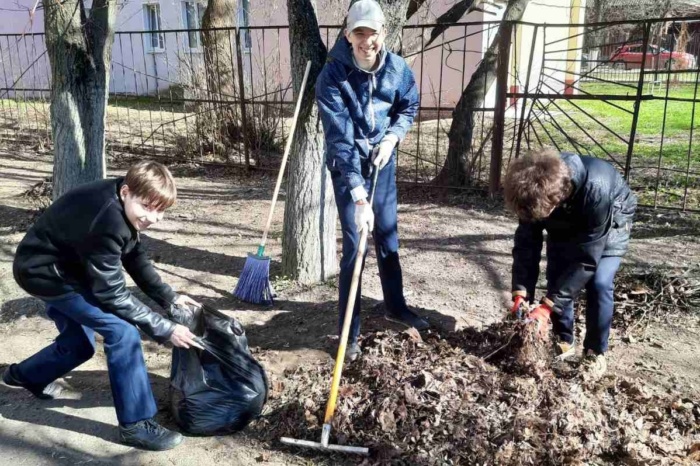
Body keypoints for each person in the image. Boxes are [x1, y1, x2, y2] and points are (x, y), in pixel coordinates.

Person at [3, 161, 203, 451]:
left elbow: (134, 255)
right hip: (46, 274)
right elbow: (111, 293)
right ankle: (136, 424)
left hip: (68, 268)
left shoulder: (124, 204)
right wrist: (164, 327)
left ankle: (24, 375)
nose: (154, 218)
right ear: (125, 191)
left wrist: (168, 297)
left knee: (80, 344)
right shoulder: (107, 219)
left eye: (161, 210)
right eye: (148, 207)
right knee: (122, 332)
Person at [316, 0, 428, 362]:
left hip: (383, 159)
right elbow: (340, 138)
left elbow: (408, 106)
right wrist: (359, 197)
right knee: (355, 243)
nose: (367, 41)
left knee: (387, 235)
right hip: (348, 166)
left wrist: (393, 137)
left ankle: (395, 306)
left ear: (384, 33)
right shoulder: (332, 76)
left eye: (373, 32)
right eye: (359, 33)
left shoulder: (397, 69)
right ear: (348, 35)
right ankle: (350, 329)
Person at [504, 149, 637, 377]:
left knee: (599, 282)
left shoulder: (597, 191)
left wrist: (546, 308)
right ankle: (563, 340)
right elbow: (527, 245)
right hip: (567, 213)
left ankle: (595, 352)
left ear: (555, 202)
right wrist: (521, 294)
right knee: (557, 274)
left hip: (610, 215)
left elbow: (587, 259)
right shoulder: (533, 189)